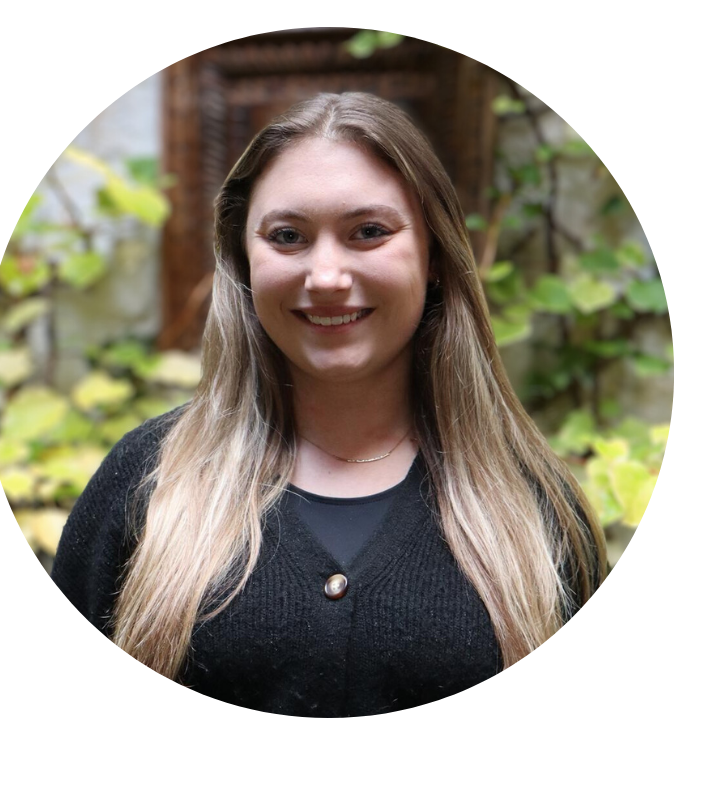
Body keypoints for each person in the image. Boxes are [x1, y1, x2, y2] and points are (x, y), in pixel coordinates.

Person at [51, 92, 608, 716]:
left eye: (368, 232)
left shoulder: (535, 505)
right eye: (287, 237)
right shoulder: (144, 484)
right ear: (243, 259)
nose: (325, 277)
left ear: (434, 254)